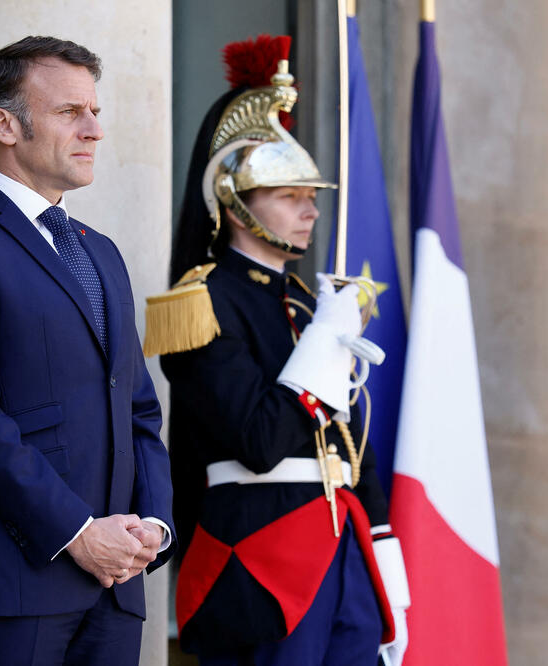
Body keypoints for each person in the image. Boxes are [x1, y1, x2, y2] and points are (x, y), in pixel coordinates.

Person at [0, 36, 174, 665]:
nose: (94, 129)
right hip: (10, 583)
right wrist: (77, 533)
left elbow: (137, 409)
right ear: (4, 126)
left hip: (116, 588)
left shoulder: (100, 250)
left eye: (95, 111)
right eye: (69, 111)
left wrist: (153, 527)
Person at [145, 35, 409, 666]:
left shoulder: (308, 303)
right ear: (236, 204)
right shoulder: (203, 301)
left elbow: (351, 444)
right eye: (290, 196)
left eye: (311, 197)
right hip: (260, 558)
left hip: (343, 548)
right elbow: (258, 441)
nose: (310, 211)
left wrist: (382, 545)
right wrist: (322, 349)